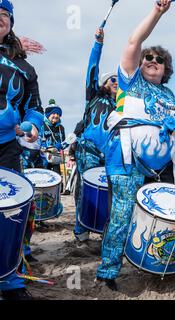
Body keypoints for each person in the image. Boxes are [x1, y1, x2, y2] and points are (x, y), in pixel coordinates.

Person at [96, 0, 175, 291]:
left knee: (163, 214)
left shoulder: (169, 94)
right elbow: (134, 41)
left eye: (158, 59)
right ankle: (107, 272)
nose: (151, 60)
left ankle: (157, 262)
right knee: (121, 214)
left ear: (166, 68)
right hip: (127, 161)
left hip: (161, 168)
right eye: (148, 57)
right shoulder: (131, 82)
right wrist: (157, 11)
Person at [0, 0, 44, 300]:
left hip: (6, 147)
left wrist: (30, 125)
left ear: (11, 23)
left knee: (14, 208)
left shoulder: (25, 67)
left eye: (3, 16)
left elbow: (34, 108)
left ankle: (8, 277)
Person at [73, 27, 117, 243]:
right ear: (103, 84)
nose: (116, 83)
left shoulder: (121, 106)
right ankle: (81, 232)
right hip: (88, 150)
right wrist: (98, 44)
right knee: (87, 188)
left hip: (108, 155)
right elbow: (92, 68)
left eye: (119, 81)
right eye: (113, 80)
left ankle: (101, 227)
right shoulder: (93, 96)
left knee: (107, 191)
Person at [42, 99, 65, 176]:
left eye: (58, 114)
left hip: (55, 158)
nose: (56, 115)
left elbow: (64, 142)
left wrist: (60, 145)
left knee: (57, 177)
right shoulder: (42, 125)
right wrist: (46, 148)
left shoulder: (61, 128)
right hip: (43, 158)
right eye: (54, 113)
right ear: (48, 114)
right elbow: (37, 140)